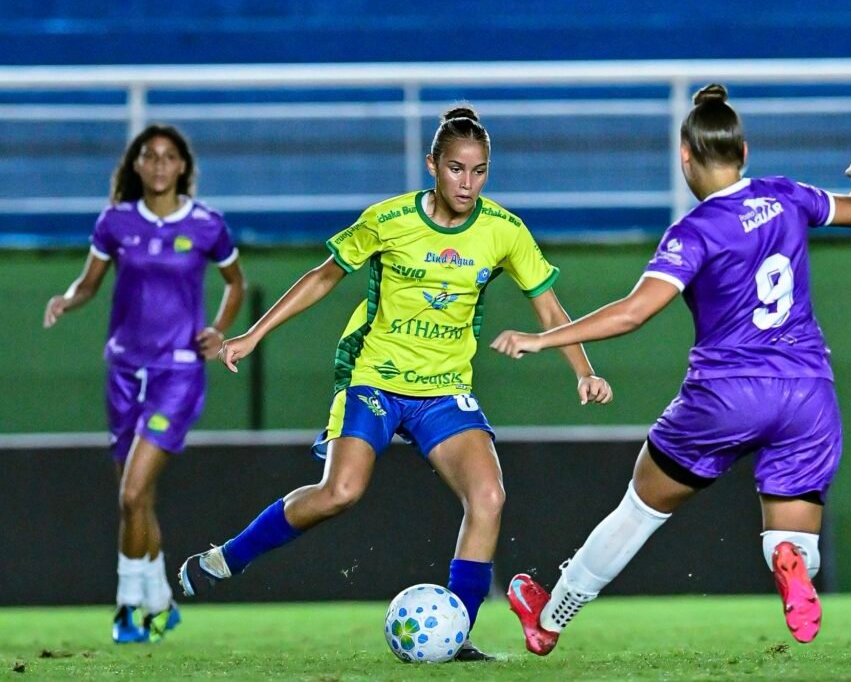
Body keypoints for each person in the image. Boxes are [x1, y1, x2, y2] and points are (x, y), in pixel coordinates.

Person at [177, 104, 612, 661]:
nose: (468, 183)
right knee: (341, 492)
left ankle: (455, 634)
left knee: (488, 496)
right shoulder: (388, 221)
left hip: (443, 388)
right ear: (432, 164)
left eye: (479, 171)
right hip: (373, 377)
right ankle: (228, 557)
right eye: (457, 169)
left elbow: (550, 309)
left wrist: (585, 371)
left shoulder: (504, 231)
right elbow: (322, 278)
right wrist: (252, 335)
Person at [493, 84, 851, 654]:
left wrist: (541, 338)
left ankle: (550, 618)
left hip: (726, 395)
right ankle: (789, 559)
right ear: (743, 152)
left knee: (640, 507)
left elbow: (631, 314)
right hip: (808, 393)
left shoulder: (695, 231)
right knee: (794, 534)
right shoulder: (787, 195)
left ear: (685, 156)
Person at [43, 124, 246, 644]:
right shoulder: (115, 222)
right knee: (138, 498)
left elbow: (235, 283)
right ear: (136, 165)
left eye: (169, 156)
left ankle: (130, 607)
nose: (158, 164)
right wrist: (67, 299)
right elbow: (89, 283)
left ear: (183, 167)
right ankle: (161, 602)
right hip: (123, 371)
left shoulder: (206, 225)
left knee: (132, 493)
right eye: (149, 156)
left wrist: (219, 331)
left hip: (176, 373)